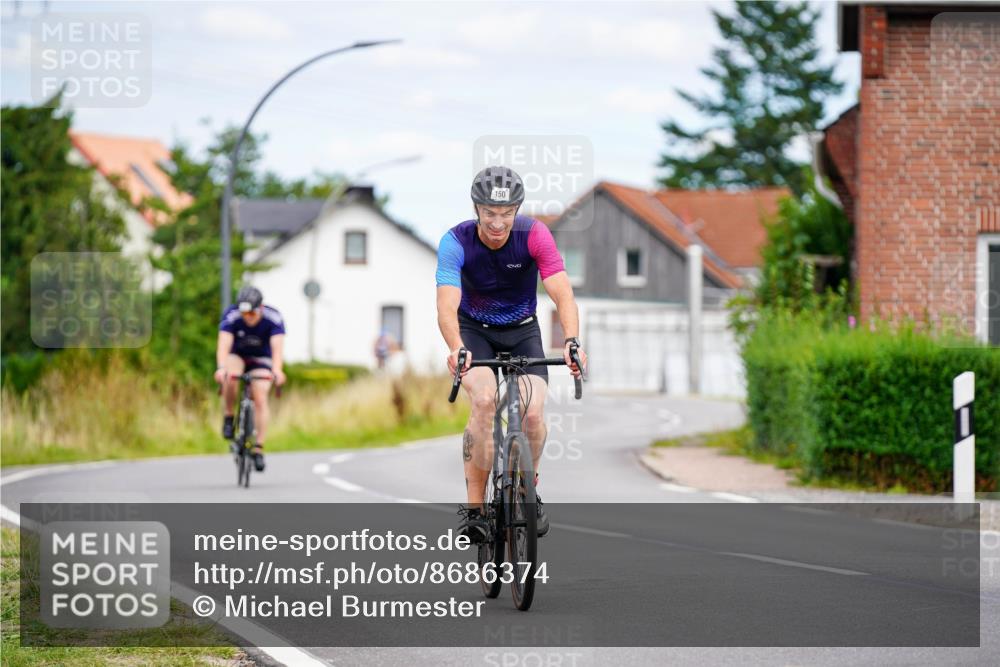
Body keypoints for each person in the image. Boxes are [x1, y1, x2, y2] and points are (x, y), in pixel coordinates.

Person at [435, 166, 587, 541]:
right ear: (476, 209)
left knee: (533, 416)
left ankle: (526, 490)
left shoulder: (535, 235)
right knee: (485, 401)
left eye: (506, 213)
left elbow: (562, 294)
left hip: (522, 332)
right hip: (474, 333)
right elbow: (446, 306)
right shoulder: (455, 241)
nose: (498, 222)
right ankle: (474, 511)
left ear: (517, 210)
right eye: (489, 213)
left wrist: (571, 341)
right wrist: (457, 347)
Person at [213, 285, 286, 472]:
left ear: (260, 308)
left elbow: (277, 348)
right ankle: (229, 415)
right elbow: (224, 343)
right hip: (237, 355)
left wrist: (277, 371)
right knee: (231, 375)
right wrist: (221, 368)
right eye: (244, 314)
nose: (248, 318)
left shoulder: (273, 318)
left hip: (261, 359)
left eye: (252, 314)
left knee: (260, 396)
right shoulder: (232, 315)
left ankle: (259, 448)